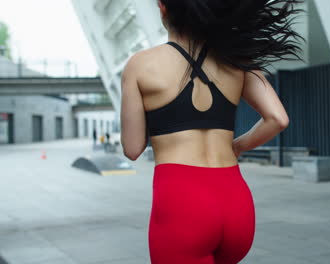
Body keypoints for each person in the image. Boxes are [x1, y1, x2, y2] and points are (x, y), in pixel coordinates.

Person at [120, 0, 303, 263]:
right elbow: (277, 118)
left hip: (183, 206)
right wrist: (237, 146)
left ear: (162, 8)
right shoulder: (236, 59)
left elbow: (133, 148)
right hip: (236, 203)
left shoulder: (140, 64)